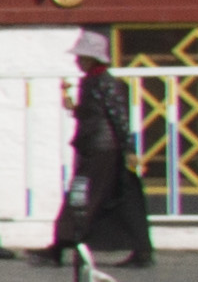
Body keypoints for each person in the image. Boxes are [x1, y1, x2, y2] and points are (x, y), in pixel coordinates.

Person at [56, 35, 154, 268]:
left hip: (104, 150)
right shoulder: (92, 81)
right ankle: (141, 250)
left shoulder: (104, 82)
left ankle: (62, 243)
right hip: (100, 147)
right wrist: (74, 107)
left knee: (84, 195)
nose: (78, 61)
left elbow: (118, 116)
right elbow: (94, 114)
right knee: (123, 198)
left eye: (82, 57)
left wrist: (128, 148)